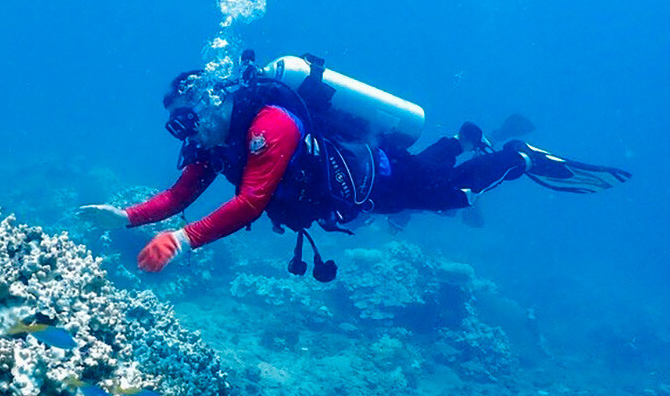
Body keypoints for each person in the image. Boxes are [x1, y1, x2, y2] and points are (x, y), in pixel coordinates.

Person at [78, 52, 631, 280]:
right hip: (358, 182)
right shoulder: (212, 145)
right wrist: (126, 218)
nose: (189, 131)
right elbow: (176, 198)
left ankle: (516, 157)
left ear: (215, 99)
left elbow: (252, 202)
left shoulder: (271, 122)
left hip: (375, 183)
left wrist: (182, 242)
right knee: (420, 172)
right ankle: (462, 138)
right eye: (179, 126)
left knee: (448, 193)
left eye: (191, 117)